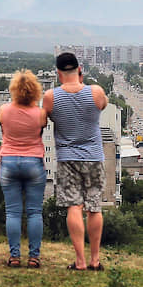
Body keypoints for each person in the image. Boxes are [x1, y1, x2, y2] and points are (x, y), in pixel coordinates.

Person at [43, 52, 108, 271]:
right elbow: (103, 105)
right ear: (79, 69)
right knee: (94, 207)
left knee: (74, 206)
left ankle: (79, 260)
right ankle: (95, 260)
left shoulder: (51, 97)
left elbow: (45, 118)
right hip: (94, 156)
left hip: (67, 158)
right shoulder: (96, 92)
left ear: (58, 73)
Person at [0, 70, 47, 268]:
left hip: (9, 162)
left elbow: (3, 129)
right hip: (34, 162)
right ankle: (34, 257)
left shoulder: (4, 111)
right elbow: (40, 131)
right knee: (35, 212)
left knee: (13, 213)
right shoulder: (40, 113)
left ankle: (14, 256)